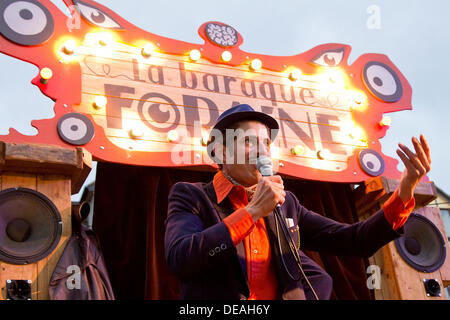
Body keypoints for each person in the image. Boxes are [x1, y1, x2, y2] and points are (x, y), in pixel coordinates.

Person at [164, 104, 431, 300]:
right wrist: (253, 211)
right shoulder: (192, 196)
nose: (261, 151)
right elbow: (181, 258)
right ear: (221, 150)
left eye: (265, 143)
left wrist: (405, 190)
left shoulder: (286, 204)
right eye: (248, 141)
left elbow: (354, 240)